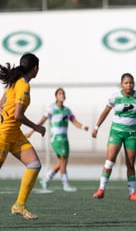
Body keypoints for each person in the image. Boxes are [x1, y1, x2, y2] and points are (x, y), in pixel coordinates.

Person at [0, 53, 45, 220]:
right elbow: (18, 115)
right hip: (4, 134)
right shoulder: (23, 86)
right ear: (35, 68)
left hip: (14, 133)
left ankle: (19, 205)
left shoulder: (15, 82)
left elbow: (2, 104)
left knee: (34, 164)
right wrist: (36, 127)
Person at [91, 73, 136, 201]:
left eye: (131, 83)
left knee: (130, 163)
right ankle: (101, 189)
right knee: (110, 159)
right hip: (116, 133)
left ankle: (132, 193)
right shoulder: (115, 97)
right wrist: (96, 127)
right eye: (126, 83)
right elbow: (105, 112)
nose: (129, 85)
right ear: (121, 84)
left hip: (132, 134)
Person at [26, 88, 89, 192]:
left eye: (63, 94)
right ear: (56, 96)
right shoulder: (51, 109)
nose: (62, 95)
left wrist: (83, 127)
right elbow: (41, 121)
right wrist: (31, 132)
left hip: (64, 139)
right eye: (60, 94)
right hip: (56, 139)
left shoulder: (67, 110)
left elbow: (75, 121)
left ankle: (46, 179)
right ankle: (65, 184)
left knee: (62, 162)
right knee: (63, 161)